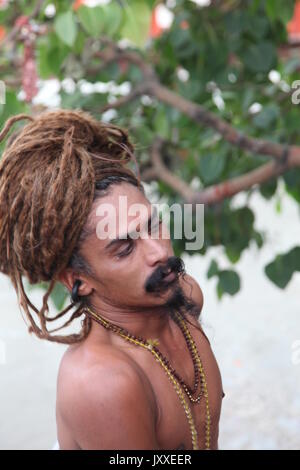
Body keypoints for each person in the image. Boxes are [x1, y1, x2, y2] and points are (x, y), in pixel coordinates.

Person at [0, 108, 224, 450]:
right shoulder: (102, 383)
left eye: (153, 225)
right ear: (77, 280)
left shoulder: (185, 298)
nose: (159, 253)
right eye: (124, 248)